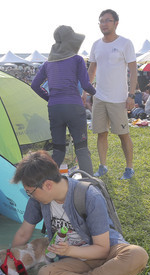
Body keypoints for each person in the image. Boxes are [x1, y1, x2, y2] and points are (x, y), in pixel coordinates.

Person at [11, 151, 149, 275]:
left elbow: (102, 249)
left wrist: (68, 251)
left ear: (47, 185)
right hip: (74, 262)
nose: (30, 196)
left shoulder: (89, 196)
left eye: (30, 192)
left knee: (137, 255)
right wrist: (9, 260)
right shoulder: (38, 201)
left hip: (106, 253)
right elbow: (24, 232)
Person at [30, 25, 96, 175]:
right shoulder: (77, 60)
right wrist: (95, 93)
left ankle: (46, 183)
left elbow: (34, 85)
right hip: (74, 107)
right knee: (81, 148)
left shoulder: (48, 64)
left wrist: (50, 98)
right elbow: (86, 84)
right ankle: (89, 184)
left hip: (55, 108)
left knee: (58, 150)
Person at [85, 9, 138, 180]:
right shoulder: (96, 45)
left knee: (123, 135)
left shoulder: (125, 43)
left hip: (118, 98)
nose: (104, 24)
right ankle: (103, 166)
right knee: (101, 133)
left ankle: (129, 168)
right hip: (99, 97)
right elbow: (92, 70)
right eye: (101, 21)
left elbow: (133, 70)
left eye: (108, 20)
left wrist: (131, 95)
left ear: (116, 23)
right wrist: (85, 92)